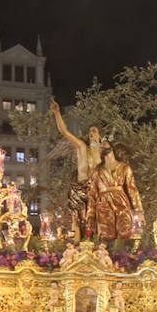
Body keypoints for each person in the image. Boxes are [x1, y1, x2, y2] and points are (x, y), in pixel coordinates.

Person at [50, 98, 102, 239]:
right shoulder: (82, 147)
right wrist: (57, 113)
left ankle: (97, 250)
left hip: (95, 192)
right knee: (77, 222)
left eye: (94, 131)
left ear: (99, 135)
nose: (91, 133)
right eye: (90, 131)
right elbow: (65, 132)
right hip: (79, 189)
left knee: (95, 223)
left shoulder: (104, 153)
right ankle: (76, 251)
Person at [86, 142, 144, 241]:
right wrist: (90, 215)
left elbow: (132, 190)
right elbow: (92, 193)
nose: (102, 145)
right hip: (103, 206)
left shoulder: (125, 168)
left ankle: (124, 253)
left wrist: (138, 211)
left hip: (121, 203)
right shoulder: (97, 171)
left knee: (126, 231)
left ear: (112, 147)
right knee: (106, 235)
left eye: (105, 143)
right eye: (101, 145)